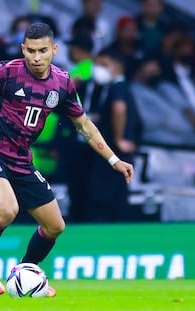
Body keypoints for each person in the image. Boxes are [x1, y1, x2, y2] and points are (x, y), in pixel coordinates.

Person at [0, 23, 134, 297]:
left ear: (54, 49)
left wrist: (114, 160)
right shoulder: (6, 72)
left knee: (55, 225)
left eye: (42, 50)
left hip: (22, 162)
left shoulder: (62, 83)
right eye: (30, 51)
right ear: (23, 50)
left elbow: (85, 126)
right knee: (7, 210)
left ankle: (27, 271)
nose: (36, 57)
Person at [87, 49, 142, 222]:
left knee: (108, 199)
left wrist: (118, 139)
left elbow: (119, 109)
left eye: (103, 65)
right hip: (116, 151)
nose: (98, 69)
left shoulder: (117, 88)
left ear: (116, 67)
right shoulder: (119, 88)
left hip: (113, 151)